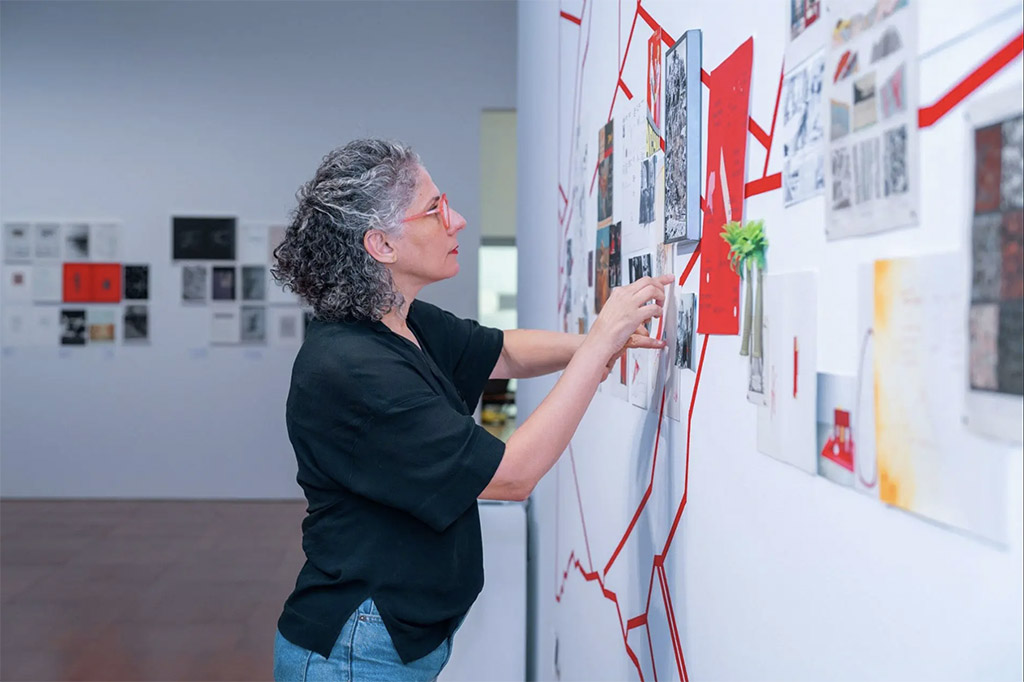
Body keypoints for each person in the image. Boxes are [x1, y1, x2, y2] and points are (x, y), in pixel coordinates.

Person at [271, 138, 673, 681]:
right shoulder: (354, 368)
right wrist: (600, 343)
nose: (456, 220)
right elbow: (511, 476)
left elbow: (502, 350)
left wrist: (601, 340)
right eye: (435, 209)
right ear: (382, 245)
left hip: (386, 636)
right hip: (356, 648)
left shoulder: (399, 321)